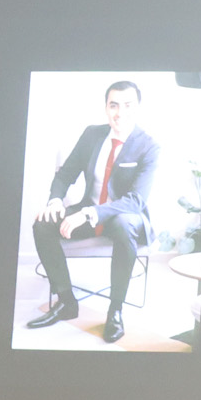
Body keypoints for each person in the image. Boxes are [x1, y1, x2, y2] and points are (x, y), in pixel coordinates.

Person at [26, 79, 160, 344]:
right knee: (42, 224)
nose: (120, 112)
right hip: (88, 210)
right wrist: (55, 201)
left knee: (123, 223)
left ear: (138, 107)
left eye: (127, 105)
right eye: (114, 105)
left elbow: (135, 201)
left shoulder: (148, 146)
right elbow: (65, 174)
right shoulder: (92, 135)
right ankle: (66, 302)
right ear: (106, 108)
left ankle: (115, 311)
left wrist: (88, 214)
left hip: (124, 218)